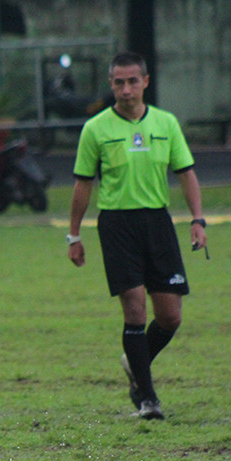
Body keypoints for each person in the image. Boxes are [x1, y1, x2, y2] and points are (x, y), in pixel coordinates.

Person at [67, 51, 208, 420]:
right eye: (118, 82)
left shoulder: (166, 123)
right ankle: (148, 399)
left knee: (170, 316)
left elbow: (186, 173)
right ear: (111, 84)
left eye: (132, 81)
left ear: (145, 82)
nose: (126, 89)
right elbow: (83, 185)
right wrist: (74, 235)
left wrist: (198, 219)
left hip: (157, 224)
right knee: (134, 309)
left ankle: (135, 360)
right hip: (116, 226)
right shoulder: (96, 129)